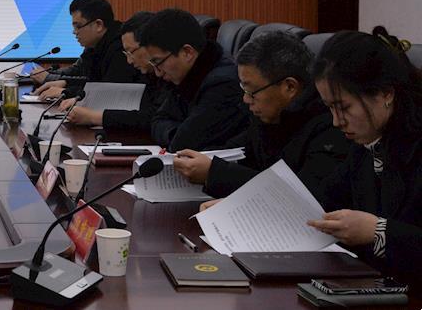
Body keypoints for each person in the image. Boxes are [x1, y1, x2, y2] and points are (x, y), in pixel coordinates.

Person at [305, 27, 422, 280]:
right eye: (329, 108)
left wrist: (378, 231)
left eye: (344, 107)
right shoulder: (368, 144)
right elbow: (324, 199)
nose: (336, 122)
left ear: (385, 93)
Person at [174, 31, 349, 198]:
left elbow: (301, 195)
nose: (246, 99)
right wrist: (200, 161)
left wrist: (214, 172)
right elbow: (238, 151)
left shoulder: (330, 124)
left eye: (251, 91)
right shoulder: (269, 114)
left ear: (289, 87)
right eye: (244, 89)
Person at [138, 8, 248, 151]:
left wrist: (175, 133)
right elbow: (157, 120)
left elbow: (184, 144)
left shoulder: (223, 85)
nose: (158, 73)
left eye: (159, 62)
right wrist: (176, 132)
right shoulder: (185, 75)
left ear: (187, 52)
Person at [52, 11, 172, 130]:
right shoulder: (93, 50)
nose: (129, 61)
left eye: (131, 52)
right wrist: (79, 97)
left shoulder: (167, 75)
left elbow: (152, 117)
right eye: (126, 54)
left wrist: (95, 117)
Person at [31, 0, 140, 101]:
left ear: (98, 25)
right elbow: (85, 77)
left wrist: (65, 91)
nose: (74, 32)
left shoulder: (120, 46)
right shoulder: (94, 45)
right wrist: (65, 82)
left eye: (78, 26)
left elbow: (109, 93)